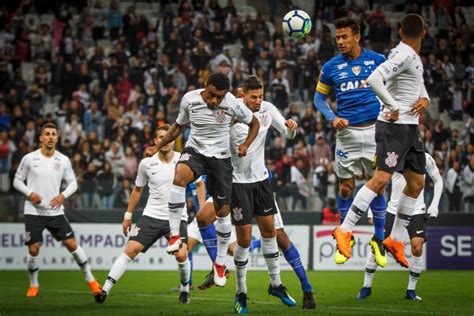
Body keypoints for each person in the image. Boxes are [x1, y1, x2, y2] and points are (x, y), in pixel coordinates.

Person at [333, 14, 430, 268]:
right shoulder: (404, 55)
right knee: (382, 179)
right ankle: (344, 230)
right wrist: (392, 104)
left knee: (417, 182)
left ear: (400, 32)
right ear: (425, 33)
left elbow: (417, 85)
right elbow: (374, 79)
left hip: (409, 129)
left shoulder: (412, 57)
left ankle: (395, 239)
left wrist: (425, 99)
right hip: (393, 127)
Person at [145, 72, 260, 287]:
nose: (214, 100)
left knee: (222, 212)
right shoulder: (189, 99)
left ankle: (219, 263)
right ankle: (173, 236)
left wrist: (245, 145)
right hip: (196, 151)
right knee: (179, 176)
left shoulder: (232, 104)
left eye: (219, 97)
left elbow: (254, 123)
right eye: (211, 95)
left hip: (221, 159)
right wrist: (157, 147)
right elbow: (178, 127)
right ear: (204, 86)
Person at [230, 75, 309, 313]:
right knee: (243, 240)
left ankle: (276, 284)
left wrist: (292, 129)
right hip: (237, 183)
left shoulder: (267, 109)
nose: (257, 101)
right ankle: (241, 292)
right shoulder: (231, 112)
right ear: (242, 94)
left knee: (270, 233)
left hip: (261, 181)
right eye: (253, 97)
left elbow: (287, 133)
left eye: (260, 96)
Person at [313, 17, 388, 266]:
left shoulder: (378, 60)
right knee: (346, 187)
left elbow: (394, 87)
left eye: (345, 37)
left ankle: (379, 239)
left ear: (357, 37)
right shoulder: (331, 67)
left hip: (376, 131)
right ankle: (346, 236)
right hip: (347, 135)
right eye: (337, 38)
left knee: (377, 184)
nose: (341, 42)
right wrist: (331, 117)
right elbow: (319, 99)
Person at [95, 125, 191, 304]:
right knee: (130, 250)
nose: (165, 141)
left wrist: (199, 209)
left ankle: (185, 288)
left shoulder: (182, 160)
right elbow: (137, 191)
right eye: (160, 137)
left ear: (172, 140)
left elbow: (198, 184)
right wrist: (127, 216)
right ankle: (104, 290)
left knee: (181, 255)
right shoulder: (146, 163)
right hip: (152, 215)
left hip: (177, 218)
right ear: (156, 141)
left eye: (168, 137)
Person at [13, 123, 101, 298]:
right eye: (47, 134)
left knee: (72, 245)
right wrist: (30, 193)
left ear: (57, 138)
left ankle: (92, 281)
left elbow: (73, 184)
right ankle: (33, 284)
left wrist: (63, 196)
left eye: (53, 134)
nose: (51, 137)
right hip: (34, 211)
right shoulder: (30, 158)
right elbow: (17, 181)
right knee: (34, 249)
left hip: (55, 212)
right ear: (41, 138)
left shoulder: (63, 160)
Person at [357, 153, 443, 300]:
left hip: (416, 210)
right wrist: (372, 210)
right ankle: (366, 286)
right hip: (393, 210)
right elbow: (379, 182)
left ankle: (411, 290)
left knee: (417, 246)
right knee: (378, 246)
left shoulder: (425, 158)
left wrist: (434, 205)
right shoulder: (393, 155)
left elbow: (438, 180)